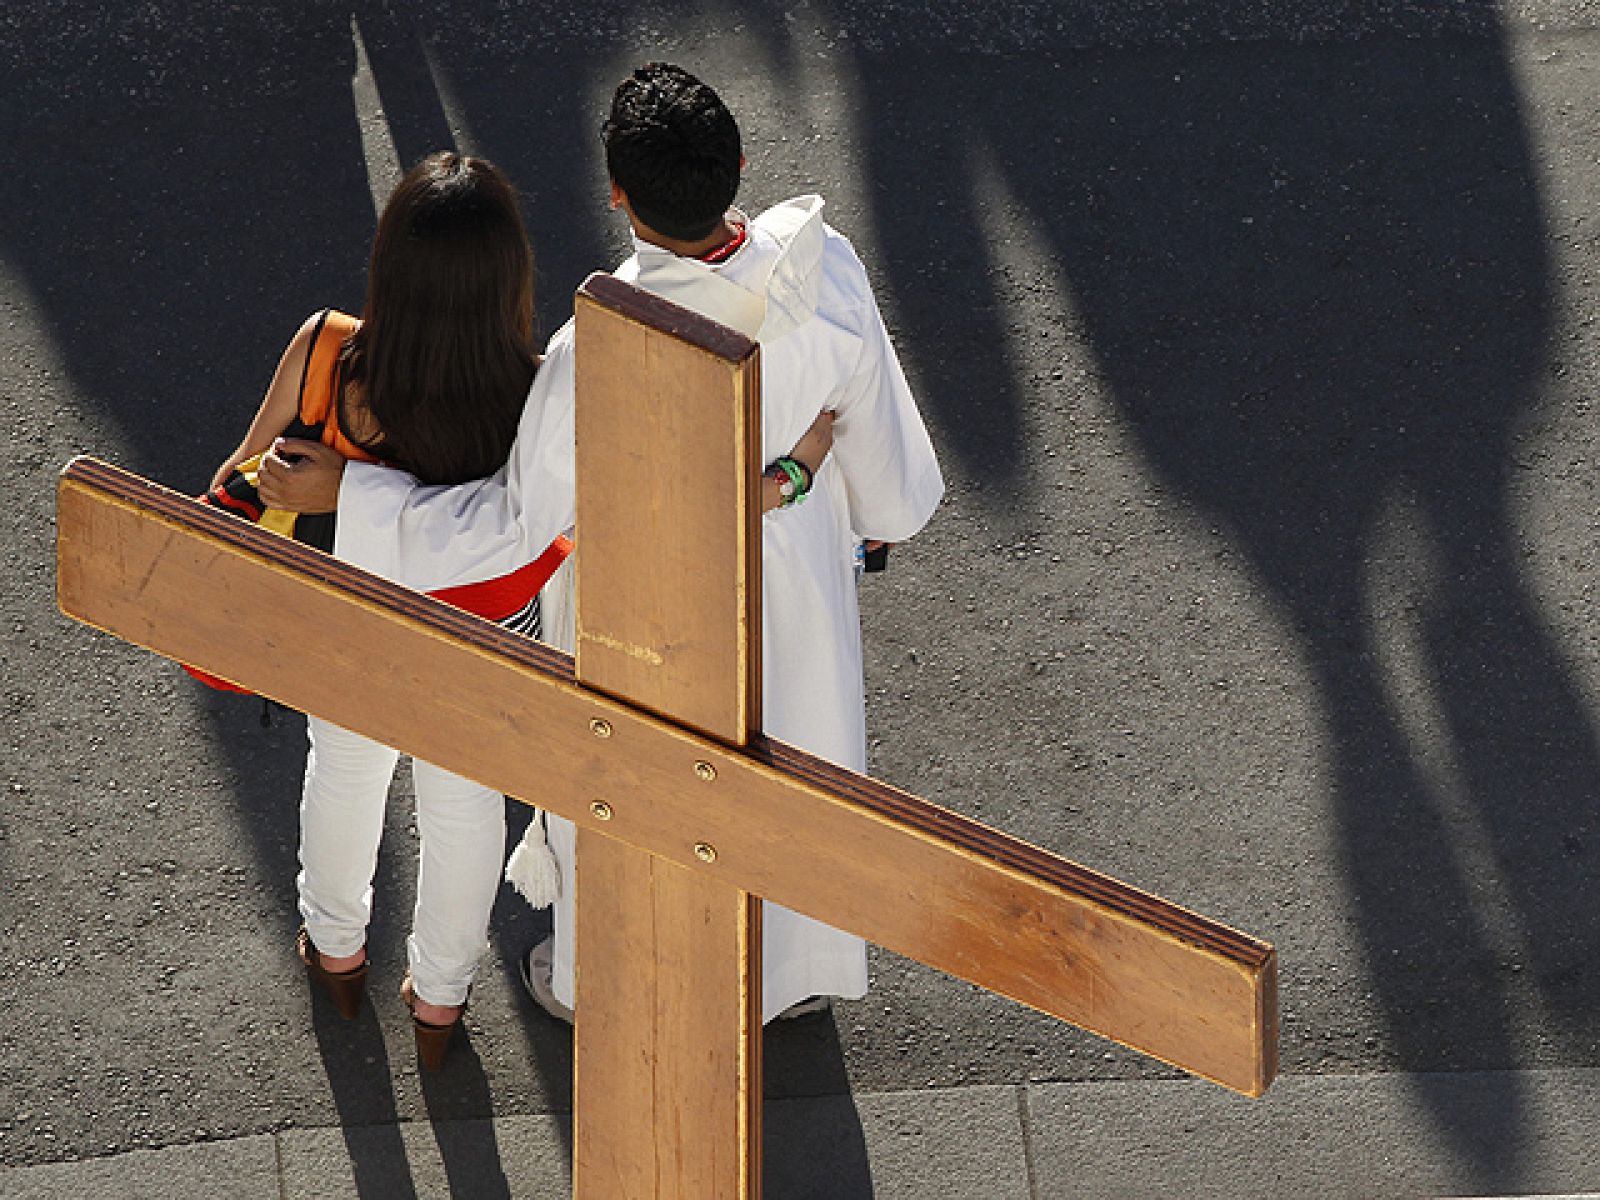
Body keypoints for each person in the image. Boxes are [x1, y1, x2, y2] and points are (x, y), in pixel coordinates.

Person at [259, 63, 944, 1024]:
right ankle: (784, 982)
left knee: (642, 796)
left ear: (616, 195)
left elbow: (509, 526)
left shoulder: (604, 344)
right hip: (795, 575)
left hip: (650, 602)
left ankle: (613, 985)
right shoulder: (824, 266)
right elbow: (886, 465)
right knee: (796, 761)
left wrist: (356, 493)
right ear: (740, 163)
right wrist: (812, 494)